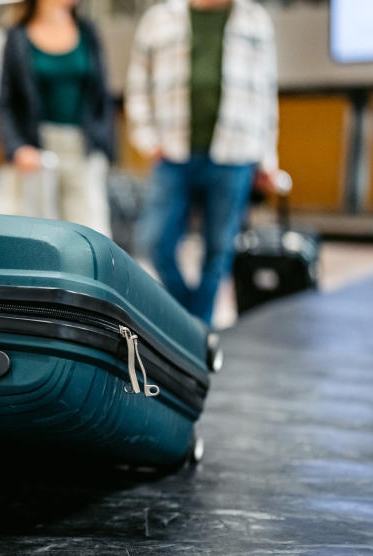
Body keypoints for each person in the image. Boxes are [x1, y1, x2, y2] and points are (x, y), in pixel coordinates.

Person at [126, 0, 280, 324]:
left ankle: (198, 329)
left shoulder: (256, 20)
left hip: (235, 152)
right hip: (173, 151)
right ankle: (190, 321)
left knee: (220, 251)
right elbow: (137, 83)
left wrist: (267, 157)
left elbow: (266, 92)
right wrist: (147, 139)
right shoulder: (159, 18)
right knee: (154, 242)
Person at [0, 0, 115, 236]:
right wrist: (17, 148)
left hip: (81, 148)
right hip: (35, 150)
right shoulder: (18, 36)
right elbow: (5, 102)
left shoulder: (87, 32)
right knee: (30, 235)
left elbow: (101, 96)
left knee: (90, 232)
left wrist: (102, 146)